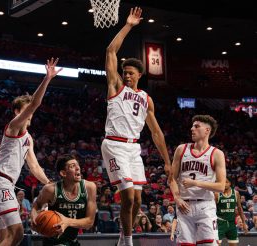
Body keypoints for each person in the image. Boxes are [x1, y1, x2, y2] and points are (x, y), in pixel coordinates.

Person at [101, 7, 171, 246]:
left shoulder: (146, 99)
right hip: (114, 144)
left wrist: (168, 161)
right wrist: (129, 25)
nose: (127, 76)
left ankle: (123, 237)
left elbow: (156, 132)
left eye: (131, 73)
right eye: (124, 72)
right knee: (128, 197)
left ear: (140, 74)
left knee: (138, 201)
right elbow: (110, 51)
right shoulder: (116, 87)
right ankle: (128, 241)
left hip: (133, 149)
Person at [0, 57, 62, 246]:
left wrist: (50, 184)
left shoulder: (28, 139)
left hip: (2, 184)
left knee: (5, 237)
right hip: (0, 182)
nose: (30, 112)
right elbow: (35, 103)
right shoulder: (13, 126)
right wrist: (47, 79)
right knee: (17, 233)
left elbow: (34, 166)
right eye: (25, 109)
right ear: (17, 112)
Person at [170, 115, 226, 245]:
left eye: (196, 126)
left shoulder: (217, 153)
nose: (192, 129)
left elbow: (221, 186)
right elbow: (172, 178)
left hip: (205, 206)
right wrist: (177, 198)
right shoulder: (181, 149)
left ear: (207, 130)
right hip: (184, 206)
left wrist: (195, 183)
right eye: (192, 126)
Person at [31, 155, 97, 246]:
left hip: (72, 241)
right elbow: (37, 204)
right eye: (72, 166)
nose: (78, 168)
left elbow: (89, 222)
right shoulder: (50, 189)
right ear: (63, 173)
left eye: (77, 165)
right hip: (52, 241)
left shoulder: (90, 187)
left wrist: (67, 221)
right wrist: (34, 217)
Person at [215, 177, 248, 246]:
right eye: (223, 182)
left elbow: (240, 209)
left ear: (230, 183)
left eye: (226, 182)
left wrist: (244, 223)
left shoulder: (236, 193)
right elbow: (212, 210)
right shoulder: (217, 194)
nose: (224, 184)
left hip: (231, 223)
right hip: (220, 223)